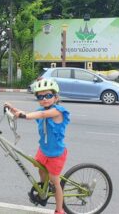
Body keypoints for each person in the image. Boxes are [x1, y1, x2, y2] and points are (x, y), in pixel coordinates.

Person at [5, 78, 70, 214]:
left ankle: (59, 209)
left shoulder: (58, 111)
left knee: (55, 182)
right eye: (40, 96)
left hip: (55, 154)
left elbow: (42, 114)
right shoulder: (41, 109)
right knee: (41, 170)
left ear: (56, 97)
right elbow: (32, 114)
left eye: (48, 95)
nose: (44, 99)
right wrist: (14, 110)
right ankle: (44, 189)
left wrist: (23, 115)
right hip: (44, 150)